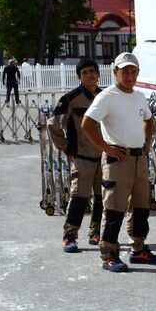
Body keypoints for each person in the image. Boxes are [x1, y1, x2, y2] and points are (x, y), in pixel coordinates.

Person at [81, 52, 156, 272]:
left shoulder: (139, 96)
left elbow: (148, 120)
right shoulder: (107, 96)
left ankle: (137, 248)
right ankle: (109, 253)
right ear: (115, 72)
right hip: (117, 159)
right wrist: (106, 148)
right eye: (125, 72)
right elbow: (87, 124)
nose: (129, 76)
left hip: (139, 158)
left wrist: (147, 142)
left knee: (141, 207)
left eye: (133, 72)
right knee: (114, 209)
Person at [49, 58, 107, 252]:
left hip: (105, 157)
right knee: (78, 197)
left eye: (92, 71)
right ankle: (70, 235)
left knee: (103, 198)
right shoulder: (70, 99)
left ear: (98, 74)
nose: (90, 75)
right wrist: (65, 147)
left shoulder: (106, 97)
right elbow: (53, 124)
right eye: (85, 73)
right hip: (82, 157)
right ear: (79, 77)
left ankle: (96, 232)